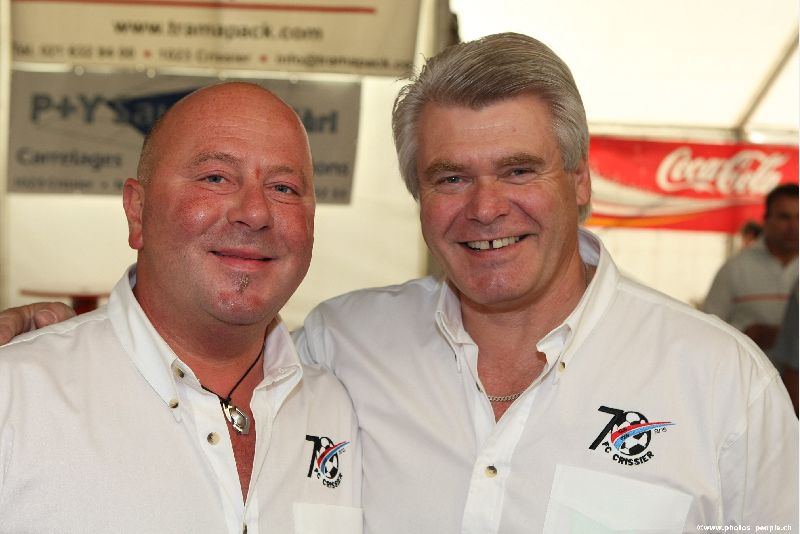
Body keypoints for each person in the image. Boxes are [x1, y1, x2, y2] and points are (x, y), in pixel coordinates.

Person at [1, 33, 797, 533]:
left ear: (581, 183)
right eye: (450, 177)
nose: (486, 207)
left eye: (519, 169)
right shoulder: (341, 347)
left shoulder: (723, 384)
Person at [0, 82, 362, 533]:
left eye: (284, 187)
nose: (255, 212)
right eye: (216, 178)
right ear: (137, 211)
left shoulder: (344, 407)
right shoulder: (16, 395)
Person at [704, 184, 799, 360]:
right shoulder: (735, 268)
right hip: (746, 373)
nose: (793, 226)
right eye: (784, 217)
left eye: (799, 217)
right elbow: (706, 330)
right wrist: (745, 333)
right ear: (766, 220)